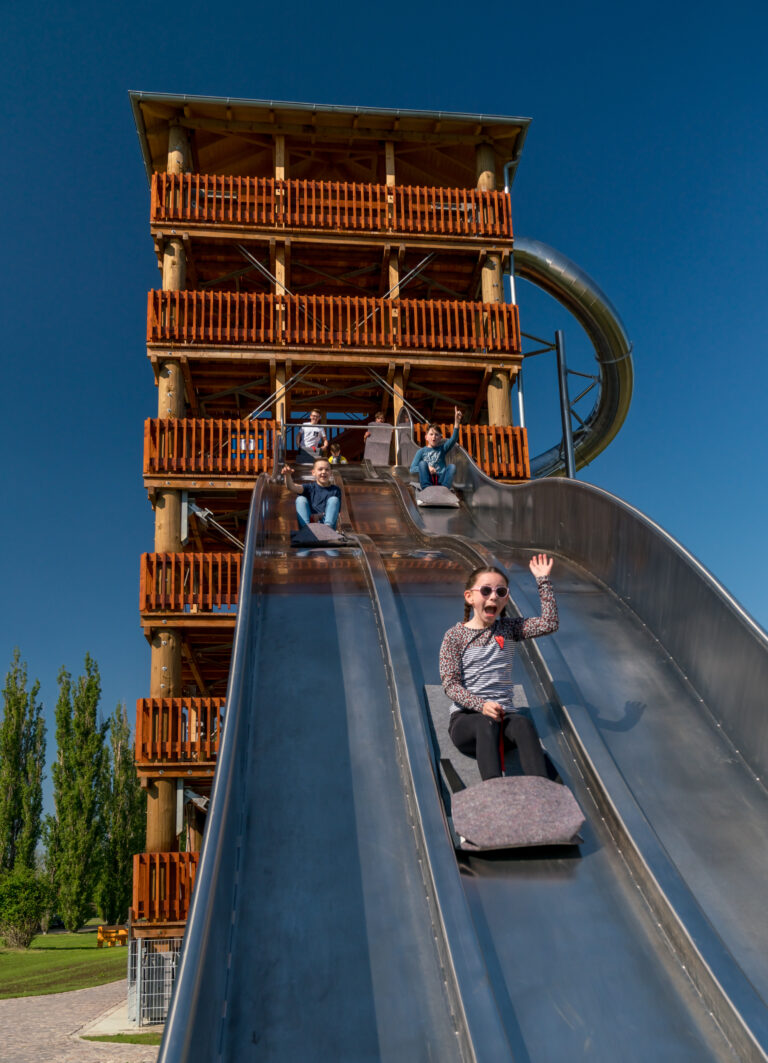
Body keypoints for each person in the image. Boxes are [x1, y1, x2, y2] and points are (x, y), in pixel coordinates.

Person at [439, 556, 558, 781]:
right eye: (486, 590)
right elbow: (450, 685)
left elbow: (549, 623)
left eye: (500, 592)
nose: (493, 596)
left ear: (505, 599)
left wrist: (543, 580)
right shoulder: (454, 636)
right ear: (470, 597)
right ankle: (494, 790)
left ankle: (544, 792)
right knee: (486, 722)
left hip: (503, 720)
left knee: (522, 723)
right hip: (468, 722)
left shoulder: (510, 628)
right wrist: (481, 705)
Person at [410, 407, 462, 490]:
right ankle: (427, 488)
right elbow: (412, 469)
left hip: (441, 479)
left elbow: (454, 439)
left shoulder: (442, 448)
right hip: (428, 479)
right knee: (422, 464)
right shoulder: (421, 451)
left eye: (436, 434)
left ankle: (445, 488)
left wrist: (457, 422)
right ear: (426, 437)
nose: (434, 437)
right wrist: (428, 468)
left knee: (452, 466)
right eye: (431, 434)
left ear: (440, 438)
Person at [282, 459, 341, 530]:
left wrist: (319, 516)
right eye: (320, 469)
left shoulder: (335, 490)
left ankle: (328, 529)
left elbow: (334, 511)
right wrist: (288, 475)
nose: (324, 472)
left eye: (327, 470)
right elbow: (292, 487)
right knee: (300, 499)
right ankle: (306, 529)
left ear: (331, 473)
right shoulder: (309, 487)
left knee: (334, 500)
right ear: (313, 472)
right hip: (310, 523)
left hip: (326, 523)